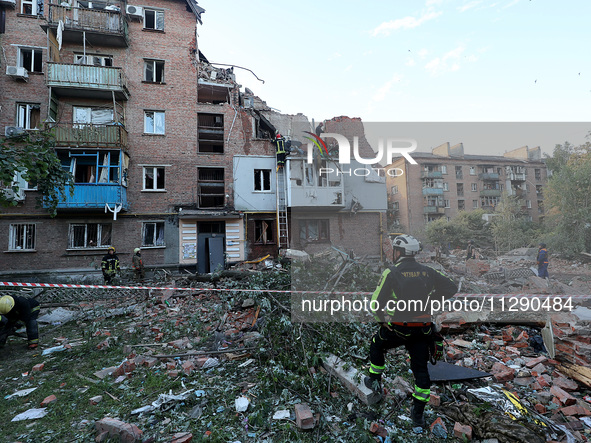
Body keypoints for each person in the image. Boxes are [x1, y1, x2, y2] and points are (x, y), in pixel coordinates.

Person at [365, 235, 458, 433]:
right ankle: (417, 416)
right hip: (422, 331)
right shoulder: (427, 272)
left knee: (376, 343)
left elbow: (375, 303)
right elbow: (451, 287)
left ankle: (374, 379)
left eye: (394, 250)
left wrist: (382, 319)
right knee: (421, 372)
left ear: (399, 252)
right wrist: (432, 300)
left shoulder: (392, 272)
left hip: (398, 328)